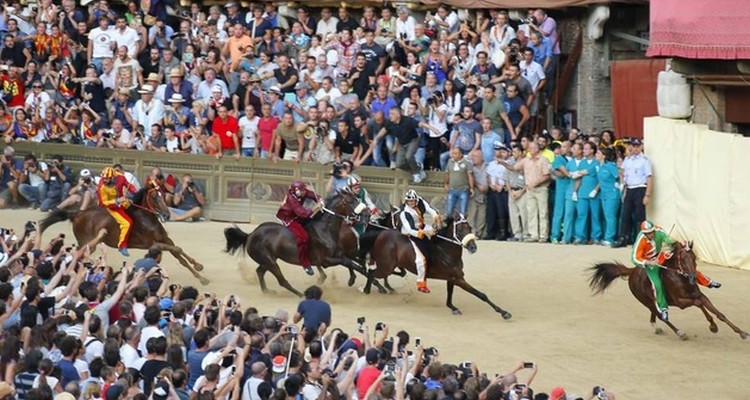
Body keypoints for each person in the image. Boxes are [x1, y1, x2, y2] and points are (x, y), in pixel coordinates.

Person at [632, 221, 721, 322]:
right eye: (648, 233)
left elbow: (669, 240)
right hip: (650, 263)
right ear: (644, 234)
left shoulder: (659, 231)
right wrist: (647, 262)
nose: (651, 235)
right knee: (657, 284)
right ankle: (663, 309)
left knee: (687, 267)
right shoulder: (641, 241)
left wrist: (676, 245)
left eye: (652, 232)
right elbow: (634, 258)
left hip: (661, 255)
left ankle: (708, 282)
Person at [276, 181, 323, 276]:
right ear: (296, 191)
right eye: (302, 191)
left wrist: (320, 199)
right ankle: (304, 263)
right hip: (289, 218)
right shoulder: (292, 199)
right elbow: (303, 214)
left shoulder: (303, 191)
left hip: (298, 216)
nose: (304, 192)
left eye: (304, 190)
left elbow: (314, 195)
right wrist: (316, 207)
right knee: (303, 238)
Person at [399, 189, 440, 293]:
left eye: (412, 201)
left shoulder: (420, 201)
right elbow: (410, 229)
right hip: (410, 233)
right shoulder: (404, 212)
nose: (411, 203)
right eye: (409, 202)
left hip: (422, 226)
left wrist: (436, 218)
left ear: (416, 200)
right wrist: (426, 233)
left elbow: (430, 209)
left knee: (437, 233)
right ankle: (421, 283)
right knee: (420, 260)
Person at [614, 138, 651, 248]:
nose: (634, 148)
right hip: (629, 188)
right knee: (625, 215)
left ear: (641, 147)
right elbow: (624, 173)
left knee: (639, 216)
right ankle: (623, 238)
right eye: (633, 146)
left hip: (640, 188)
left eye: (637, 146)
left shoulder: (644, 161)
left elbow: (649, 177)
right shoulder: (628, 160)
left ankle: (639, 240)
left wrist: (647, 194)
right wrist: (624, 189)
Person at [97, 166, 137, 256]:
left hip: (123, 200)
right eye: (104, 178)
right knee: (127, 223)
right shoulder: (102, 187)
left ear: (112, 177)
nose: (104, 180)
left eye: (107, 179)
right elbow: (102, 203)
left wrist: (134, 192)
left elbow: (128, 185)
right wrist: (117, 201)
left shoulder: (121, 177)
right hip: (112, 206)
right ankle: (122, 245)